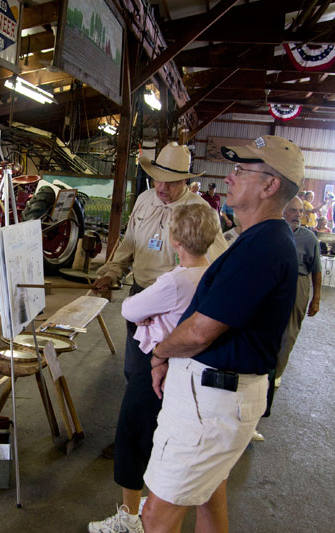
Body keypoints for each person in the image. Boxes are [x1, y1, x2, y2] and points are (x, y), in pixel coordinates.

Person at [141, 135, 302, 533]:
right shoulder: (257, 240)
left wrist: (160, 351)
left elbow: (199, 332)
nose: (228, 179)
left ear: (269, 185)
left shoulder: (262, 247)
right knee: (210, 501)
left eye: (241, 171)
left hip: (211, 402)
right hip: (218, 398)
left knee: (157, 514)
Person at [90, 142, 228, 533]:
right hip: (143, 301)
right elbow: (129, 245)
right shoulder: (145, 202)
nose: (162, 187)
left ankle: (149, 464)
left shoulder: (201, 216)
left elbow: (216, 268)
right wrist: (112, 272)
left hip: (175, 313)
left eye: (171, 182)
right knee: (138, 380)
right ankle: (146, 450)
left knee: (164, 391)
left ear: (186, 180)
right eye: (157, 179)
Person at [276, 197, 321, 382]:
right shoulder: (274, 231)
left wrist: (316, 298)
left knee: (290, 330)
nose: (298, 215)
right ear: (283, 211)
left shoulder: (309, 238)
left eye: (301, 211)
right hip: (274, 281)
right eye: (294, 210)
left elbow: (317, 270)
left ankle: (276, 373)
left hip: (298, 282)